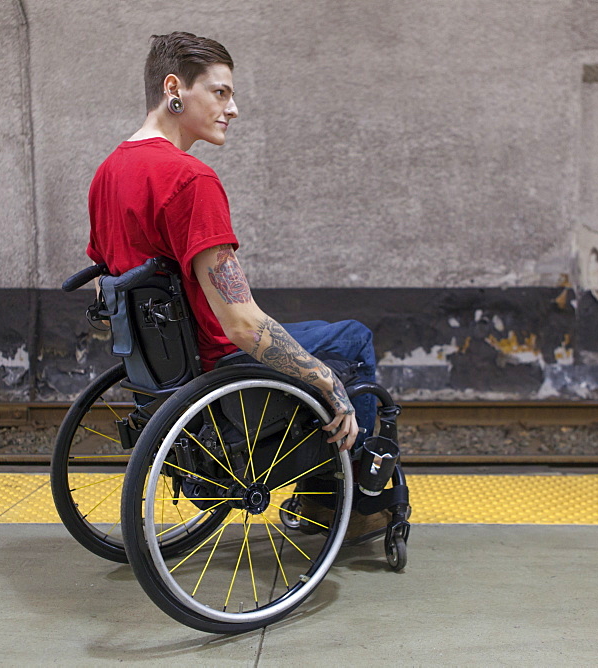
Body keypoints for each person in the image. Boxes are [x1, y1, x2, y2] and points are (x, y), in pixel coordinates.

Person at [86, 32, 387, 536]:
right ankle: (345, 504)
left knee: (325, 340)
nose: (234, 108)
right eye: (221, 93)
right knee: (352, 342)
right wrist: (323, 380)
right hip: (217, 365)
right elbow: (242, 323)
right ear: (174, 89)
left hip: (158, 373)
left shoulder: (108, 173)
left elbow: (103, 288)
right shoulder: (190, 180)